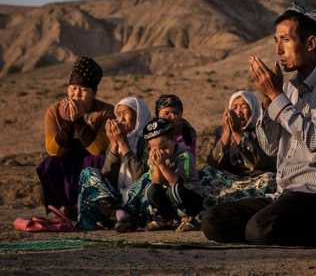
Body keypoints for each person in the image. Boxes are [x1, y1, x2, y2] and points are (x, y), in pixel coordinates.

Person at [201, 2, 316, 248]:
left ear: (310, 44)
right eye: (276, 41)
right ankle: (284, 231)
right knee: (213, 220)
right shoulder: (288, 87)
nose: (278, 49)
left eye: (285, 40)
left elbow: (314, 138)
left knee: (260, 228)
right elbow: (269, 147)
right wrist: (269, 101)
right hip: (285, 193)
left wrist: (278, 97)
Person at [36, 55, 114, 219]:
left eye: (83, 90)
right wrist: (67, 122)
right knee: (50, 163)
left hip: (91, 162)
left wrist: (78, 121)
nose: (76, 94)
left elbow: (98, 149)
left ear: (93, 93)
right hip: (67, 160)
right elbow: (53, 150)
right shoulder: (54, 111)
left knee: (99, 161)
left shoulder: (106, 111)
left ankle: (97, 207)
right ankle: (64, 207)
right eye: (73, 88)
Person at [77, 97, 153, 232]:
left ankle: (118, 218)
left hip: (137, 200)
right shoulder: (115, 140)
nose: (121, 118)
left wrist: (124, 145)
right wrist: (113, 145)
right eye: (118, 114)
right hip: (114, 200)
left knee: (150, 178)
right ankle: (116, 213)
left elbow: (141, 176)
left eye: (126, 113)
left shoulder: (149, 141)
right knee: (88, 173)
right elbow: (107, 179)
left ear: (138, 115)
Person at [199, 90, 277, 210]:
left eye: (244, 107)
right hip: (230, 181)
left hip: (255, 180)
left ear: (253, 110)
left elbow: (259, 162)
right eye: (234, 107)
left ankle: (238, 203)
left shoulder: (262, 129)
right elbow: (214, 164)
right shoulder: (221, 131)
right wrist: (227, 133)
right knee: (206, 172)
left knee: (271, 180)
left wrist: (238, 134)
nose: (238, 112)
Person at [144, 117, 203, 232]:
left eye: (164, 147)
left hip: (189, 199)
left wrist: (162, 165)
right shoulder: (154, 158)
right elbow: (157, 183)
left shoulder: (184, 155)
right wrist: (156, 165)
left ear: (174, 140)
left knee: (174, 189)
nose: (160, 152)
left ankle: (189, 219)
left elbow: (177, 181)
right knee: (150, 188)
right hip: (171, 202)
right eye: (154, 149)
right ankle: (162, 219)